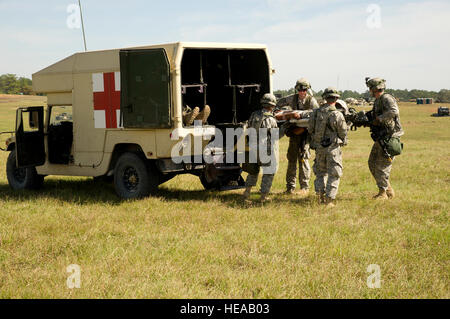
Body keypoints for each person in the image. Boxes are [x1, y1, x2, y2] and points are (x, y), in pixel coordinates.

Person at [276, 78, 319, 195]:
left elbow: (316, 113)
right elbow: (279, 103)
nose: (301, 92)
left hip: (306, 133)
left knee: (303, 159)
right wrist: (286, 114)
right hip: (294, 132)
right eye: (299, 89)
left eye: (304, 89)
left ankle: (304, 187)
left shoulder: (312, 101)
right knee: (291, 159)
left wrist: (301, 115)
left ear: (307, 90)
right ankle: (290, 187)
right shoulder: (291, 98)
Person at [308, 87, 348, 207]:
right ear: (336, 99)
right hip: (333, 149)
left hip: (319, 148)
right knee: (334, 174)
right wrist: (344, 141)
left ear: (325, 98)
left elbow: (310, 129)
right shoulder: (337, 114)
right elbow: (343, 132)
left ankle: (320, 197)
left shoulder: (315, 113)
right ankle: (329, 200)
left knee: (320, 173)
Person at [366, 78, 404, 199]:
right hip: (381, 137)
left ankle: (383, 194)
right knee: (372, 162)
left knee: (382, 166)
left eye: (370, 88)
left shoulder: (386, 98)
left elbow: (394, 111)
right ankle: (387, 190)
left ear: (373, 89)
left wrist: (379, 119)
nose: (369, 91)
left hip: (389, 138)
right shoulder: (378, 100)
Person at [243, 93, 279, 203]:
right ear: (272, 105)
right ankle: (263, 196)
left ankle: (247, 193)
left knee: (253, 171)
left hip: (252, 148)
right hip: (265, 150)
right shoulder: (271, 119)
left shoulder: (254, 115)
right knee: (268, 172)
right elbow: (274, 136)